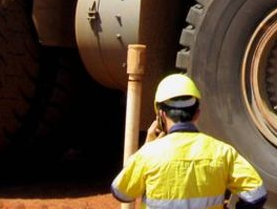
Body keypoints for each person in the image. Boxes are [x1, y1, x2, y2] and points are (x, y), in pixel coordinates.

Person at [111, 73, 267, 209]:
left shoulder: (148, 155)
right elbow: (257, 194)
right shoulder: (223, 152)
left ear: (161, 115)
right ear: (197, 113)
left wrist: (146, 146)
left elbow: (121, 192)